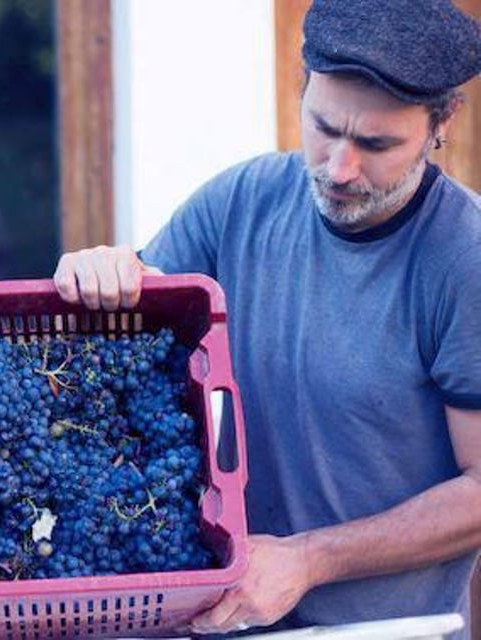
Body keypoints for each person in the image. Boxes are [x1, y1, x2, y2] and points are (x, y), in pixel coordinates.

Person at [55, 0, 481, 636]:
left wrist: (308, 559)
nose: (339, 168)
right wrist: (100, 272)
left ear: (441, 122)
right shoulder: (239, 202)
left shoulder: (465, 258)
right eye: (323, 126)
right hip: (221, 620)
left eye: (376, 144)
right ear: (301, 89)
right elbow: (129, 338)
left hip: (380, 630)